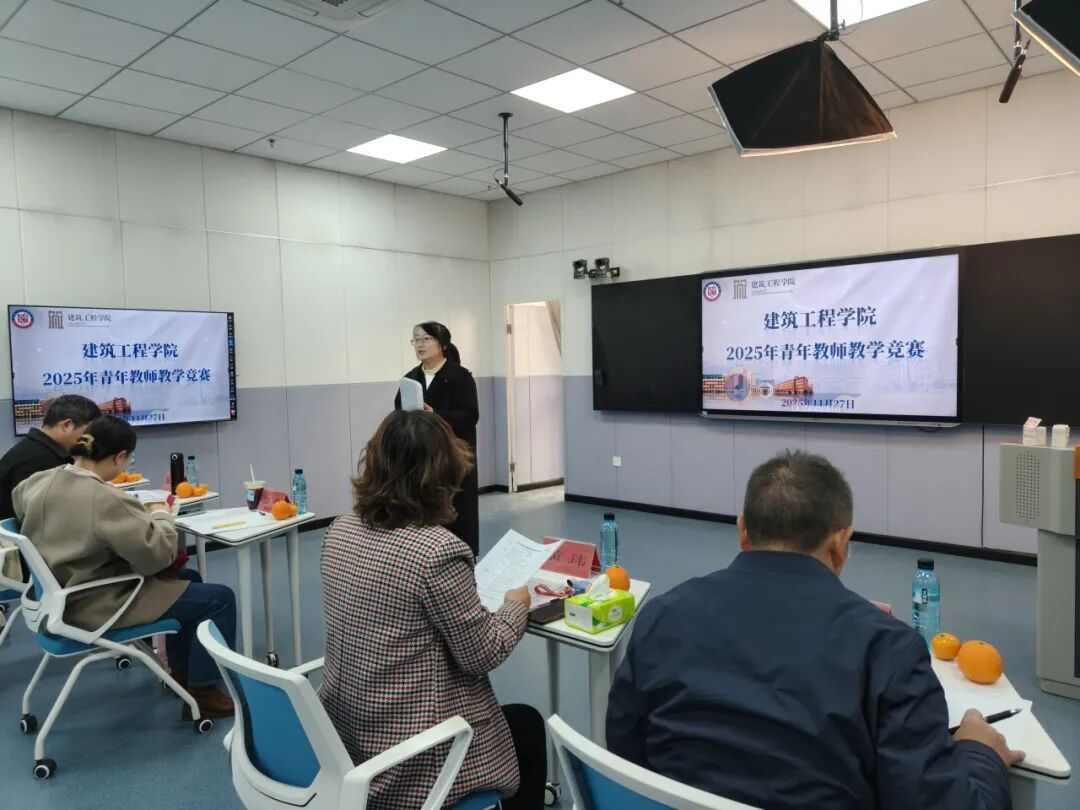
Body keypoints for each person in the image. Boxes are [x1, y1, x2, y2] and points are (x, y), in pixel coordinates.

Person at [607, 450, 1021, 810]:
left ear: (743, 532)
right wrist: (979, 755)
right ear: (842, 543)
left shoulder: (663, 615)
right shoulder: (888, 648)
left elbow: (624, 753)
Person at [320, 409, 545, 810]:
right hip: (411, 760)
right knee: (527, 727)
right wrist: (516, 606)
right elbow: (482, 654)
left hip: (348, 743)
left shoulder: (340, 529)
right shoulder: (436, 552)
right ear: (440, 476)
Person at [13, 415, 237, 718]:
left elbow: (23, 505)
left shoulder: (38, 481)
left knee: (189, 578)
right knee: (219, 598)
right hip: (98, 602)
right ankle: (205, 693)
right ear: (120, 457)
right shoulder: (105, 498)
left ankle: (183, 677)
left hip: (56, 596)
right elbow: (157, 557)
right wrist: (161, 516)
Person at [394, 321, 480, 557]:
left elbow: (470, 416)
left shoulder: (461, 377)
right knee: (422, 513)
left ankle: (461, 559)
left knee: (457, 514)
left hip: (452, 459)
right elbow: (398, 411)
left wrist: (436, 416)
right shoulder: (410, 379)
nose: (419, 345)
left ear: (442, 344)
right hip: (419, 460)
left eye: (425, 339)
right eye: (416, 340)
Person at [0, 394, 101, 582]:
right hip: (31, 563)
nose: (89, 441)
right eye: (86, 433)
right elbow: (45, 525)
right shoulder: (40, 461)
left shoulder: (33, 451)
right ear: (67, 425)